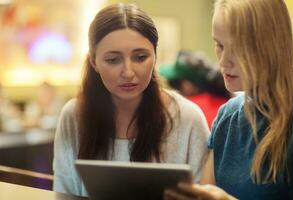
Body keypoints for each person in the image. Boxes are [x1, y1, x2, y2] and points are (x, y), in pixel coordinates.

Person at [53, 3, 210, 197]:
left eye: (140, 57)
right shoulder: (74, 116)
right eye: (113, 60)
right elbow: (64, 193)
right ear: (94, 62)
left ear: (155, 56)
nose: (128, 72)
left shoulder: (187, 118)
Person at [164, 0, 293, 200]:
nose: (223, 60)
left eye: (238, 48)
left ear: (270, 46)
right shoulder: (228, 117)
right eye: (219, 45)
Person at [160, 50, 231, 128]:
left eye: (175, 83)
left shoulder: (187, 109)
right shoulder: (227, 102)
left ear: (190, 85)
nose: (174, 89)